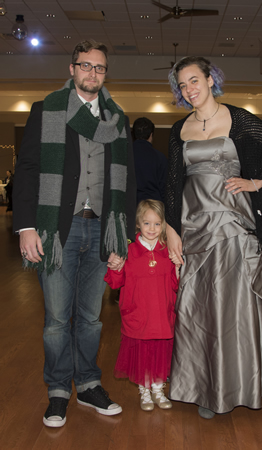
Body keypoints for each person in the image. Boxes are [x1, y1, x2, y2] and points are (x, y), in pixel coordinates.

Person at [12, 39, 136, 427]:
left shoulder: (117, 119)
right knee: (55, 320)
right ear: (72, 69)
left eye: (99, 68)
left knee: (91, 318)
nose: (92, 74)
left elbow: (128, 182)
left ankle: (88, 383)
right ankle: (58, 390)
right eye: (85, 66)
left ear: (105, 73)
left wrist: (124, 237)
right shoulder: (46, 109)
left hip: (102, 228)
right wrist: (27, 226)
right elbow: (29, 169)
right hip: (57, 231)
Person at [165, 56, 262, 419]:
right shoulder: (179, 129)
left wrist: (256, 182)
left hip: (234, 226)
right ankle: (204, 386)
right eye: (183, 85)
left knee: (234, 307)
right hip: (194, 228)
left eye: (194, 80)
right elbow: (173, 185)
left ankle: (238, 384)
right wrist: (171, 229)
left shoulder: (238, 118)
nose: (189, 89)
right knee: (198, 309)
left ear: (210, 79)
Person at [104, 200, 179, 411]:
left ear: (164, 225)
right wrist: (116, 266)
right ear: (138, 223)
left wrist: (178, 266)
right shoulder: (127, 251)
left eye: (157, 224)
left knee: (159, 353)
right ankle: (144, 390)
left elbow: (176, 285)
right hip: (138, 314)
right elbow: (115, 282)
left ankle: (158, 388)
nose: (152, 229)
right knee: (142, 354)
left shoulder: (168, 251)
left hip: (162, 315)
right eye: (147, 223)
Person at [132, 117, 168, 204]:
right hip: (153, 206)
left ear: (133, 134)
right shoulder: (160, 157)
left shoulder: (125, 156)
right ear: (151, 135)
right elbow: (164, 189)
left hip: (131, 206)